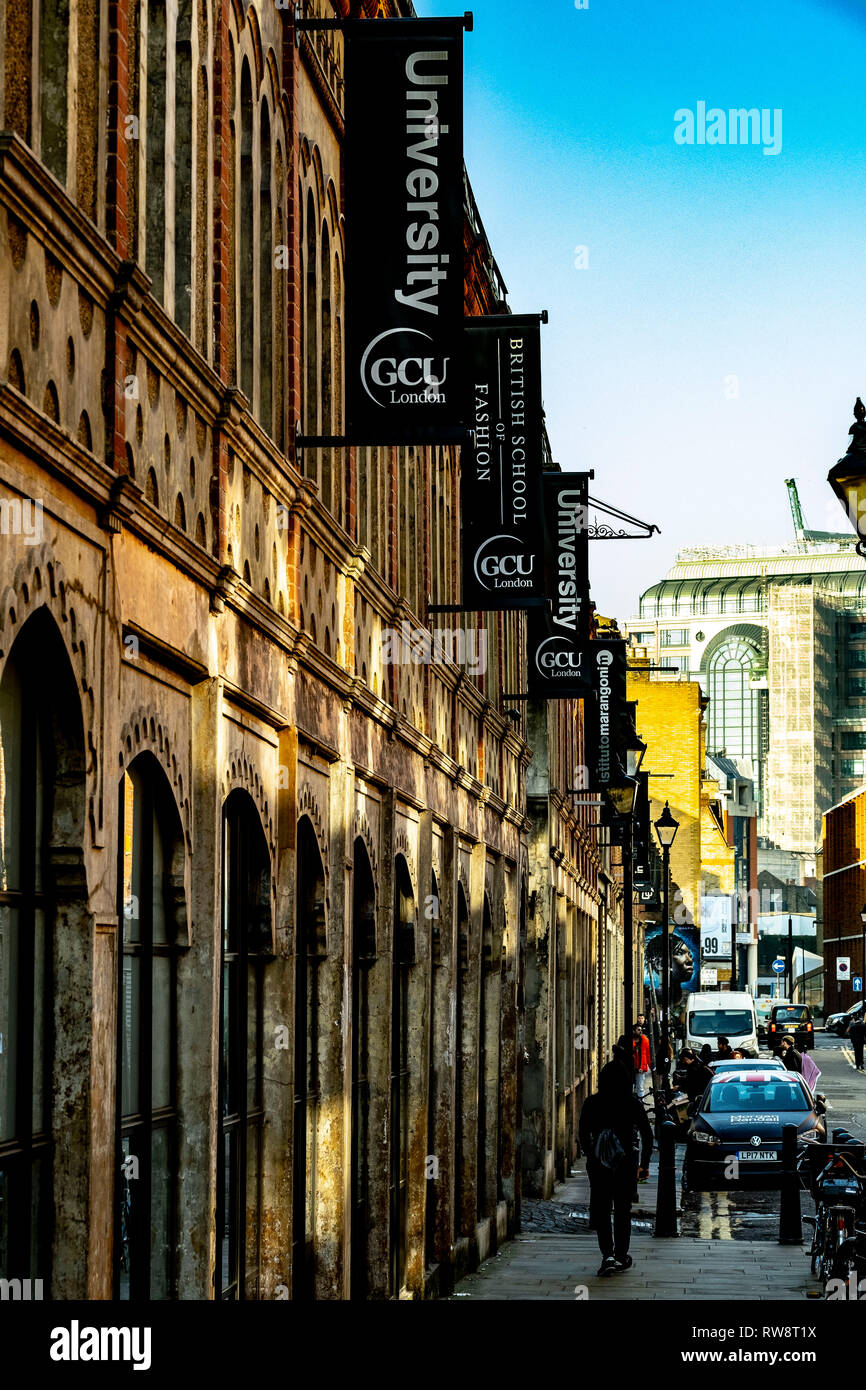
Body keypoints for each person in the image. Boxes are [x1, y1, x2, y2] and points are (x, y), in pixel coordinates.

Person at [579, 1061, 653, 1277]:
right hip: (626, 1162)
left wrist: (592, 1154)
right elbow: (648, 1135)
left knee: (602, 1209)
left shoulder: (592, 1102)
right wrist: (644, 1164)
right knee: (622, 1209)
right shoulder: (631, 1103)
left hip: (600, 1164)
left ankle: (608, 1255)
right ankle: (621, 1254)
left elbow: (583, 1133)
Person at [632, 1022, 653, 1107]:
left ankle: (640, 1105)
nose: (640, 1031)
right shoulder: (629, 1041)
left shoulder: (645, 1041)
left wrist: (651, 1067)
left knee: (640, 1087)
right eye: (638, 1030)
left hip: (641, 1067)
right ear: (633, 1031)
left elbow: (648, 1055)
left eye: (641, 1030)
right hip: (631, 1067)